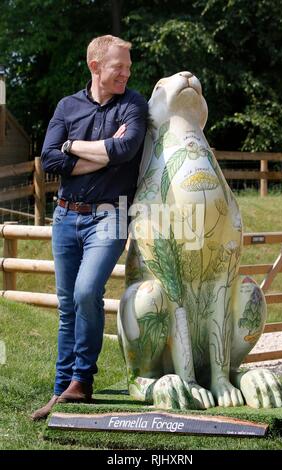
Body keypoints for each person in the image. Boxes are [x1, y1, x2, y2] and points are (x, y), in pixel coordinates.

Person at [31, 35, 148, 420]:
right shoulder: (68, 106)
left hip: (112, 213)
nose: (127, 73)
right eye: (120, 67)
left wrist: (72, 147)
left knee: (85, 292)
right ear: (96, 66)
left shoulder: (133, 104)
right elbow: (49, 159)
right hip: (65, 214)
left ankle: (82, 379)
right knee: (68, 307)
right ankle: (61, 390)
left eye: (129, 67)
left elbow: (125, 150)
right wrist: (94, 152)